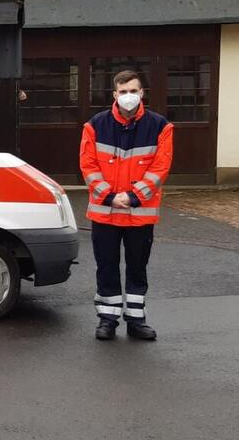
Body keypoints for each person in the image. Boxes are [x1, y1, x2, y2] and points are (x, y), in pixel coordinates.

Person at [79, 70, 173, 341]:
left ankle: (136, 319)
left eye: (133, 91)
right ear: (114, 95)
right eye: (123, 92)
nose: (128, 96)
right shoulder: (95, 125)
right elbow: (88, 166)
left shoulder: (160, 126)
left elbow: (160, 167)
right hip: (105, 212)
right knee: (106, 267)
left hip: (139, 213)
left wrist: (133, 196)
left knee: (137, 268)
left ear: (142, 93)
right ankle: (107, 319)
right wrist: (109, 196)